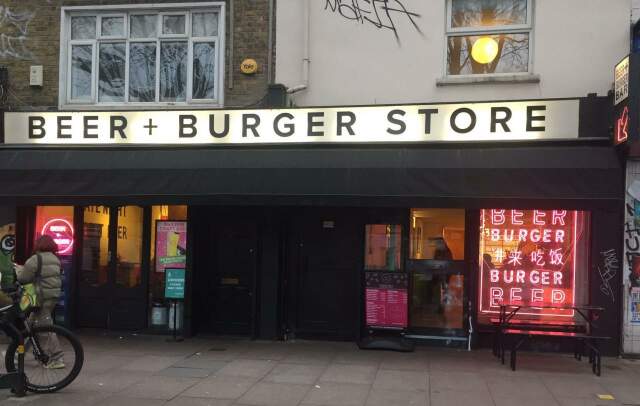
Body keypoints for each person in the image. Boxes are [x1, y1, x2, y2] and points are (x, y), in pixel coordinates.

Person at [16, 235, 64, 369]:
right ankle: (17, 354)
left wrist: (18, 270)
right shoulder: (55, 259)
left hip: (40, 298)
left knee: (46, 327)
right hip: (52, 296)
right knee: (30, 325)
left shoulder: (35, 259)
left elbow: (24, 278)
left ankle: (57, 358)